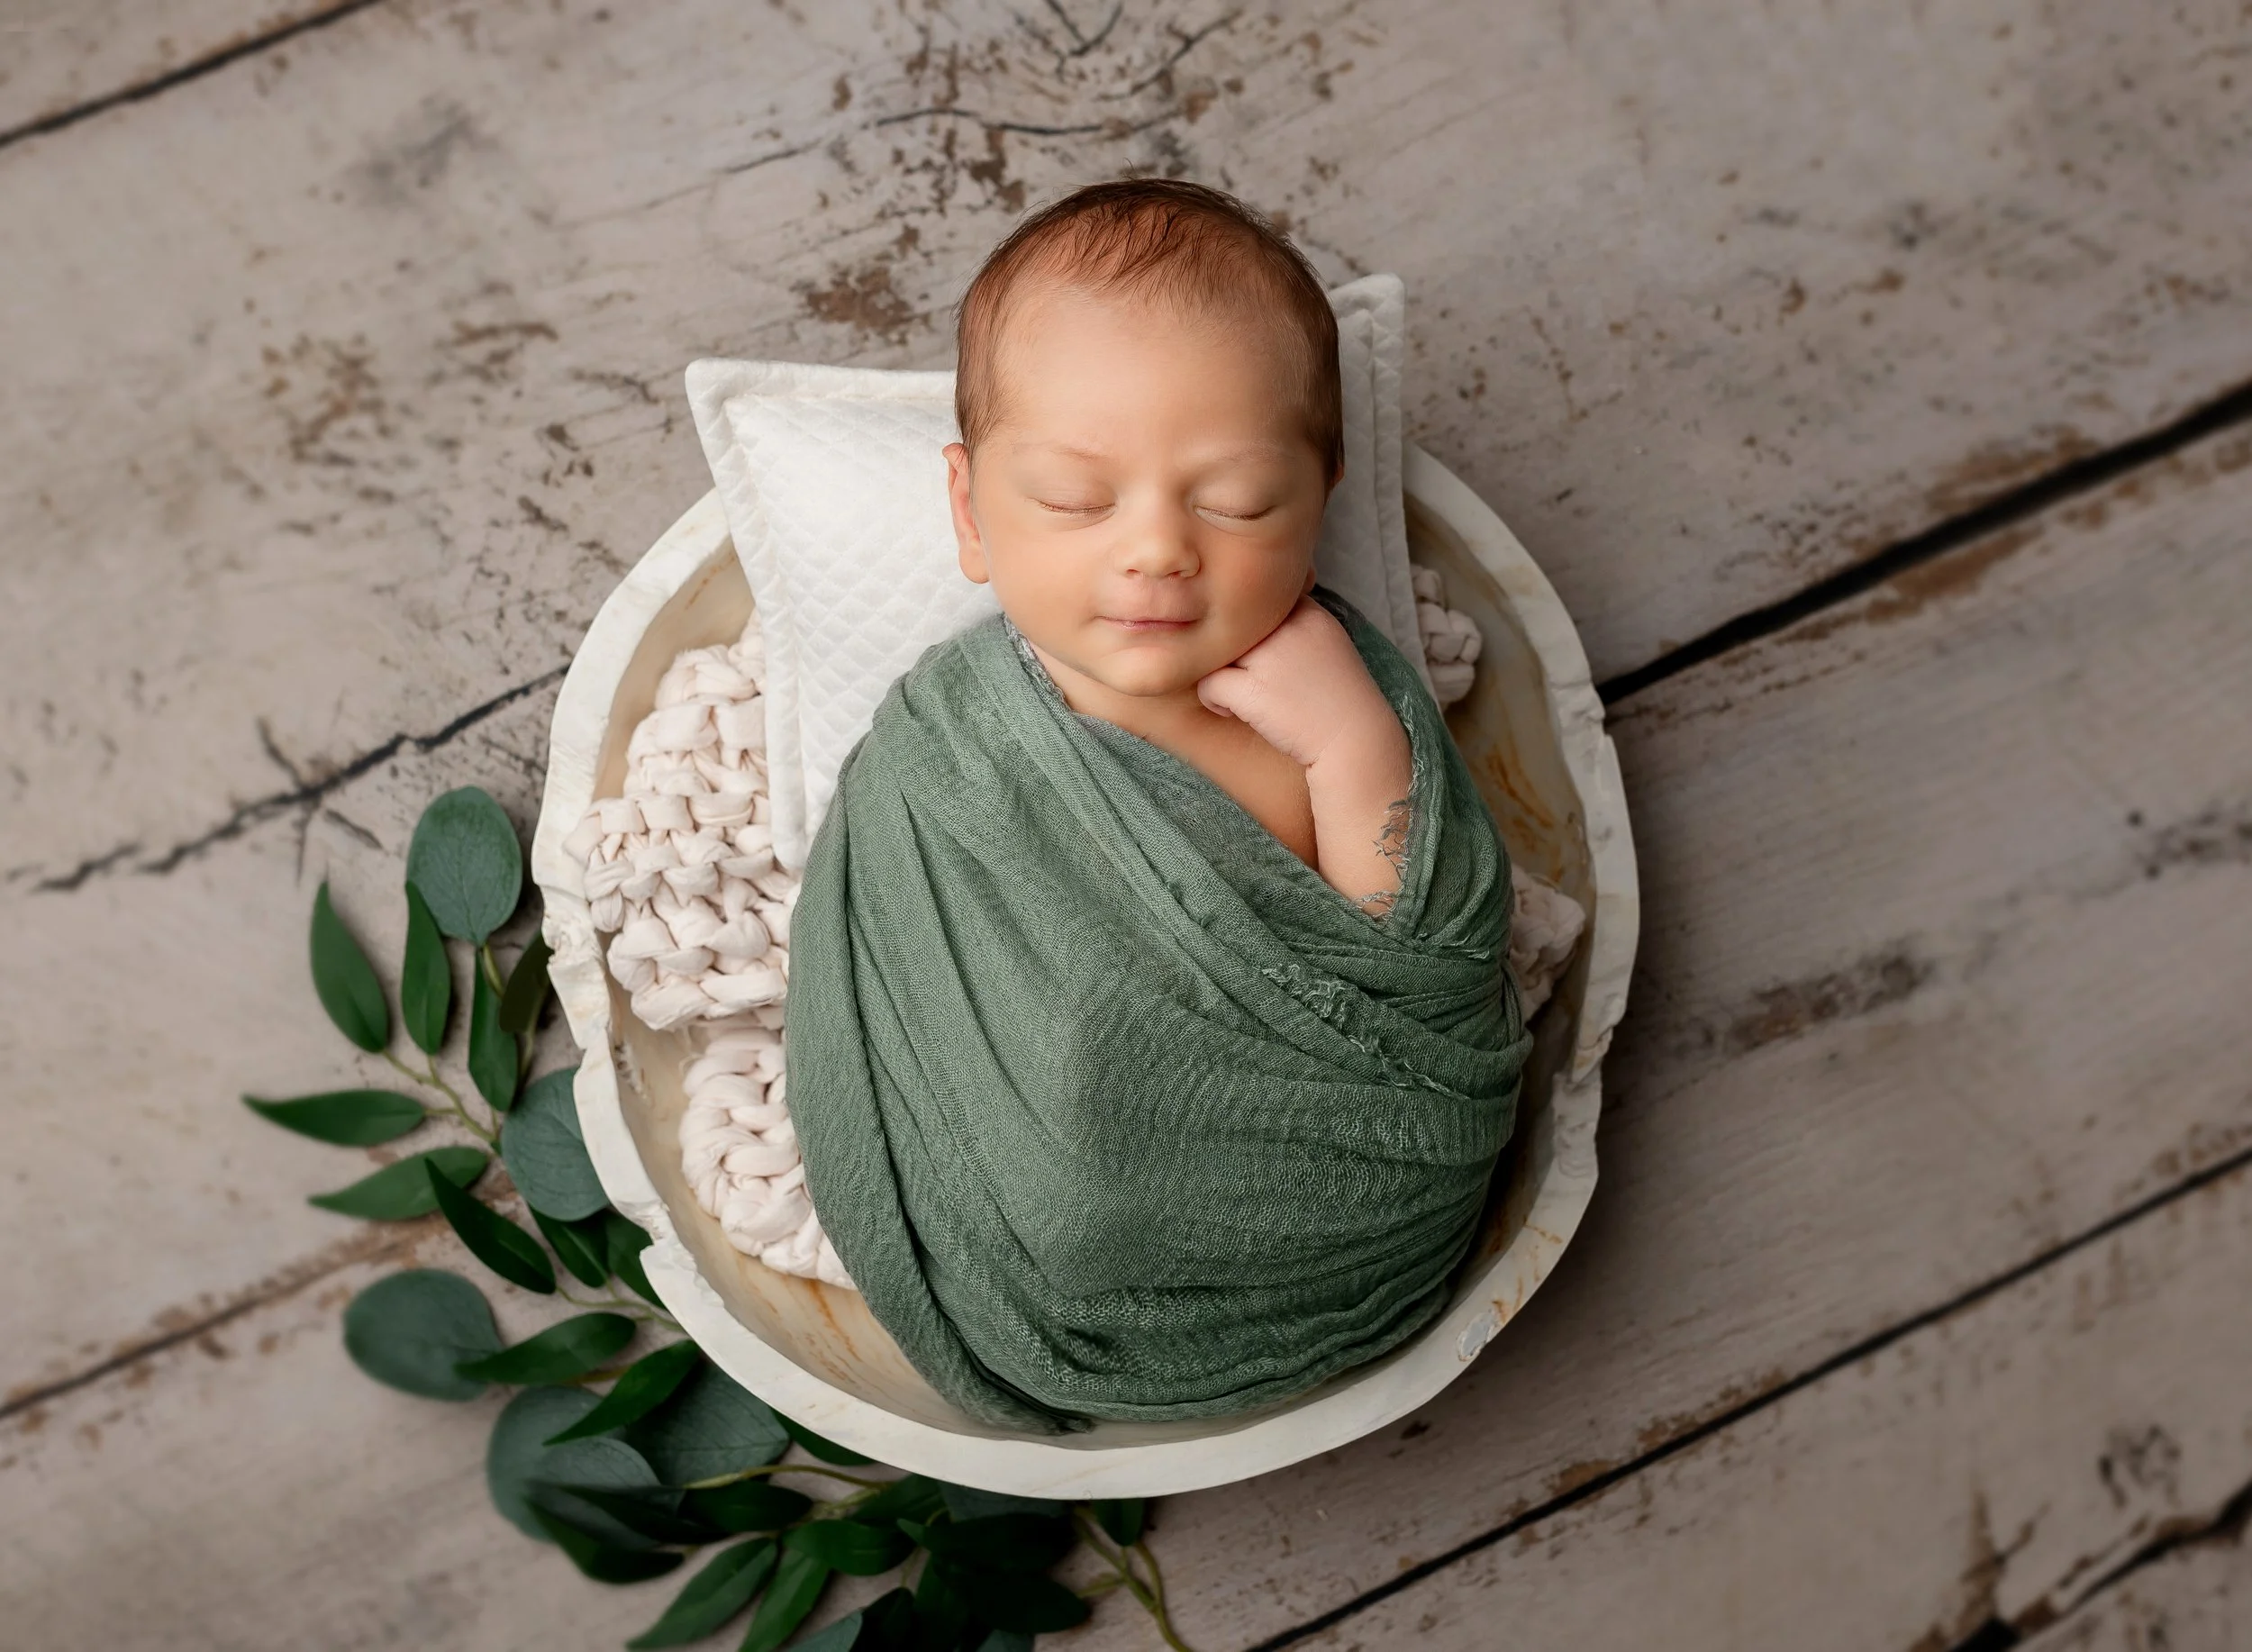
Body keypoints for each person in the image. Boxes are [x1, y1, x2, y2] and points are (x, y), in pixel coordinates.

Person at [785, 179, 1530, 1433]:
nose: (1156, 549)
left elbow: (1430, 970)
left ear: (1323, 494)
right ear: (970, 513)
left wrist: (1352, 746)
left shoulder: (1339, 701)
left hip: (1332, 1223)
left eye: (1235, 501)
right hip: (1015, 1244)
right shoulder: (939, 750)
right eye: (1076, 500)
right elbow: (864, 998)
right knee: (1062, 1183)